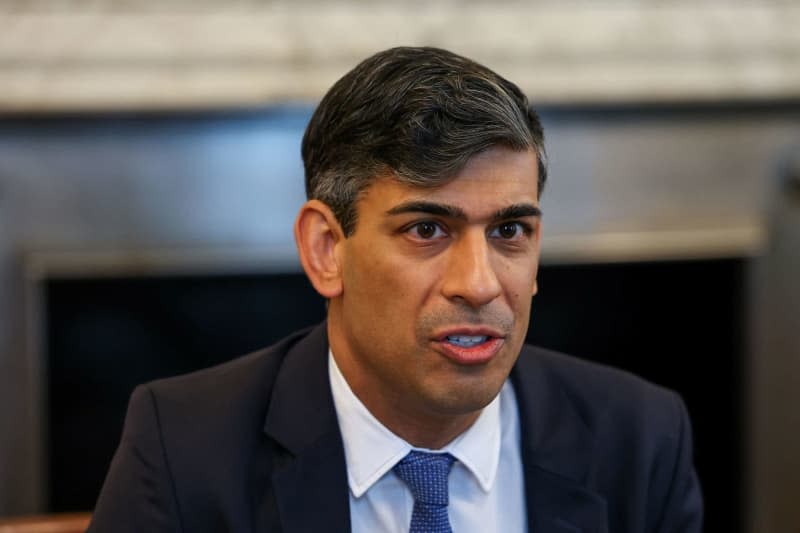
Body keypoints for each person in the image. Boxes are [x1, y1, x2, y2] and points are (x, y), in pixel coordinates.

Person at [88, 46, 703, 532]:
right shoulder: (185, 450)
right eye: (427, 229)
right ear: (327, 250)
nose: (480, 285)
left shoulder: (640, 438)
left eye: (510, 230)